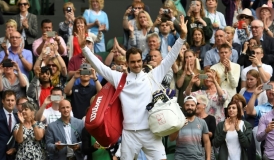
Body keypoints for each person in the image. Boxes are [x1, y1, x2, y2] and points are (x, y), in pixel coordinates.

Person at [79, 15, 188, 159]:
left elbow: (170, 58)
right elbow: (100, 67)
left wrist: (182, 37)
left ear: (142, 61)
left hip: (150, 132)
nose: (136, 64)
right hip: (129, 134)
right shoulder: (119, 78)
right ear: (128, 63)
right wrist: (84, 49)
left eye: (138, 61)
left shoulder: (153, 76)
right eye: (133, 62)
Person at [169, 96, 211, 160]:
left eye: (192, 105)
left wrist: (208, 158)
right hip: (181, 157)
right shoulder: (177, 121)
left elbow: (207, 142)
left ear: (196, 107)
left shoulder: (202, 122)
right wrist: (180, 126)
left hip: (198, 157)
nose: (190, 107)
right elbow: (171, 138)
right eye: (187, 105)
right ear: (183, 106)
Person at [246, 82, 274, 157]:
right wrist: (255, 94)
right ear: (265, 91)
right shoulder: (261, 107)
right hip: (267, 145)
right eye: (269, 88)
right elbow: (249, 111)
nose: (271, 90)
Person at [0, 90, 19, 160]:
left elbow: (17, 138)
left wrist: (15, 148)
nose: (10, 103)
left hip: (11, 156)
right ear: (2, 101)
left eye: (12, 100)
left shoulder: (17, 119)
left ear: (15, 102)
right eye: (8, 100)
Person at [196, 95, 216, 160]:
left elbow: (212, 134)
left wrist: (198, 132)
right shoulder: (192, 118)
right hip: (193, 149)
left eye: (197, 104)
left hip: (206, 148)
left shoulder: (211, 118)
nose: (195, 106)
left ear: (204, 105)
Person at [256, 94, 274, 160]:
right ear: (273, 102)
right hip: (270, 156)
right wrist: (266, 131)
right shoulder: (265, 117)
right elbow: (258, 138)